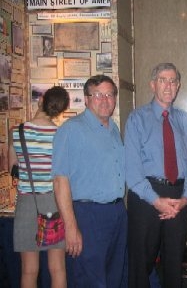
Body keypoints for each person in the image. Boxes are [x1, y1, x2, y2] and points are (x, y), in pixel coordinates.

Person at [125, 62, 187, 288]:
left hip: (178, 197)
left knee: (174, 263)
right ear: (152, 85)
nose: (168, 86)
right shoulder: (137, 119)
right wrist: (156, 201)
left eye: (173, 81)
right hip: (146, 196)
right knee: (141, 264)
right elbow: (132, 170)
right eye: (163, 80)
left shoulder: (184, 120)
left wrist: (185, 198)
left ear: (179, 86)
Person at [52, 75, 127, 287]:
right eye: (97, 95)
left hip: (116, 213)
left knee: (113, 277)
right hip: (87, 216)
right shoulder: (71, 129)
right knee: (89, 280)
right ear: (86, 99)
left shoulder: (113, 129)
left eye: (110, 95)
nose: (105, 100)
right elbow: (60, 181)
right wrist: (70, 226)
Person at [9, 86, 70, 288]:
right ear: (60, 109)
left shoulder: (17, 132)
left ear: (41, 99)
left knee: (28, 270)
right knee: (58, 268)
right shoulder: (61, 134)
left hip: (27, 202)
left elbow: (12, 169)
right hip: (54, 201)